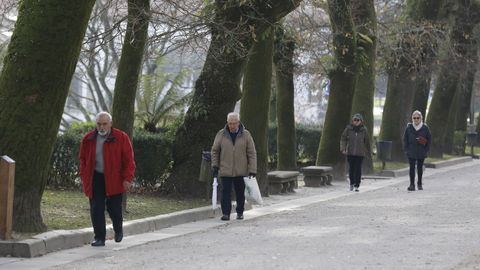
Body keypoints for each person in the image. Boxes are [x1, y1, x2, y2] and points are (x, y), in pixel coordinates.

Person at [79, 112, 136, 247]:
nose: (102, 127)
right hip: (96, 178)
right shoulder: (88, 139)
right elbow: (82, 159)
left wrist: (127, 178)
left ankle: (118, 230)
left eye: (104, 124)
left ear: (110, 124)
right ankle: (99, 238)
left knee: (114, 208)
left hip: (114, 179)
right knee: (96, 208)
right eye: (99, 124)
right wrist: (84, 175)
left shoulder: (121, 137)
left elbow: (129, 160)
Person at [211, 112, 257, 221]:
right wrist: (215, 165)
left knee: (240, 192)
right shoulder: (221, 134)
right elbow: (215, 151)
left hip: (241, 169)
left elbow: (252, 153)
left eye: (234, 123)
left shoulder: (246, 134)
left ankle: (240, 212)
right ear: (227, 122)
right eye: (230, 123)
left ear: (238, 123)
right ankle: (226, 213)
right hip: (225, 168)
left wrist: (252, 169)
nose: (232, 126)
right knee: (225, 192)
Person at [340, 113, 371, 192]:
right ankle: (351, 183)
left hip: (360, 153)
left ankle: (357, 184)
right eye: (355, 120)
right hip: (350, 152)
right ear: (352, 121)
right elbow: (343, 138)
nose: (356, 122)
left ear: (361, 121)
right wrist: (343, 148)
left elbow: (367, 141)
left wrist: (367, 151)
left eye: (358, 120)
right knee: (351, 169)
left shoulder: (364, 130)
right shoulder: (348, 129)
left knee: (358, 169)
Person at [403, 110, 431, 191]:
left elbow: (429, 140)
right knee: (411, 168)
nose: (416, 119)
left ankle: (419, 183)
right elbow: (405, 139)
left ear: (421, 118)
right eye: (414, 118)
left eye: (417, 118)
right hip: (411, 151)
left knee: (419, 167)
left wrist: (426, 150)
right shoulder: (409, 128)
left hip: (421, 151)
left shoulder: (425, 128)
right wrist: (407, 150)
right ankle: (412, 184)